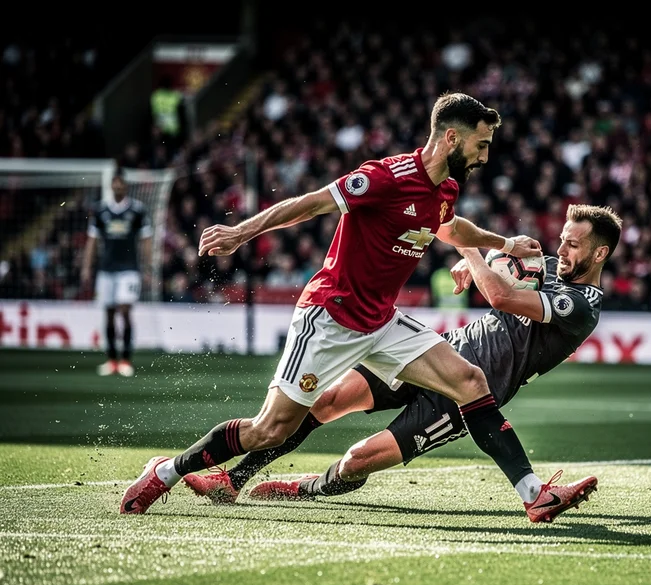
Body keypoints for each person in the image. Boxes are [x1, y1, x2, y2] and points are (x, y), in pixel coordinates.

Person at [120, 92, 545, 515]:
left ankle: (533, 495)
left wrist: (504, 243)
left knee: (470, 381)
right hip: (329, 317)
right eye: (481, 144)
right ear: (452, 138)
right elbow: (310, 205)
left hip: (381, 323)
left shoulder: (446, 189)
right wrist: (240, 233)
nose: (485, 157)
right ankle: (166, 472)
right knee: (270, 429)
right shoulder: (387, 177)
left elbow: (450, 229)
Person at [183, 205, 622, 523]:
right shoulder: (549, 268)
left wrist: (470, 254)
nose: (560, 248)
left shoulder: (582, 304)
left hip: (468, 392)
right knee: (328, 400)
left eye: (572, 244)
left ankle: (307, 487)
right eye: (562, 238)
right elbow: (507, 274)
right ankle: (234, 478)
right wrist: (479, 268)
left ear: (599, 255)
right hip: (440, 353)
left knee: (359, 459)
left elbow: (503, 296)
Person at [81, 173, 152, 377]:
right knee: (109, 313)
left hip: (129, 269)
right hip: (106, 269)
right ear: (112, 186)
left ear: (126, 187)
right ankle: (111, 360)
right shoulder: (100, 210)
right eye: (116, 185)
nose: (118, 188)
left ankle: (126, 360)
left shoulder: (137, 210)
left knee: (125, 310)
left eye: (121, 185)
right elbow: (92, 240)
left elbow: (146, 240)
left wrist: (146, 268)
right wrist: (87, 266)